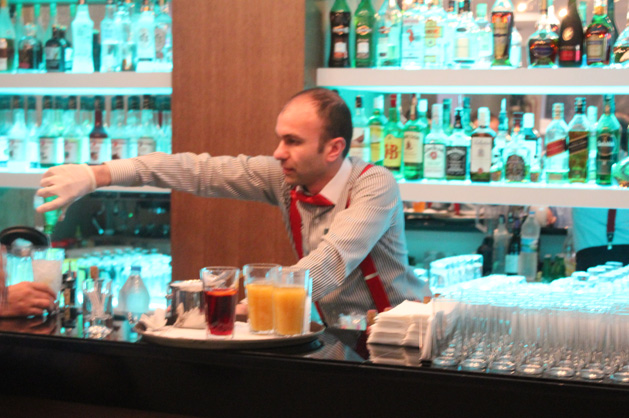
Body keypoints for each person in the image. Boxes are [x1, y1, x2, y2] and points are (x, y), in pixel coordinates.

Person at [35, 88, 430, 323]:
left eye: (293, 141)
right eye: (280, 138)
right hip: (339, 334)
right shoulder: (284, 178)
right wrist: (97, 175)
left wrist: (246, 304)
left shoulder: (374, 184)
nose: (278, 152)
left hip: (405, 337)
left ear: (333, 149)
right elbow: (197, 171)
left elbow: (331, 262)